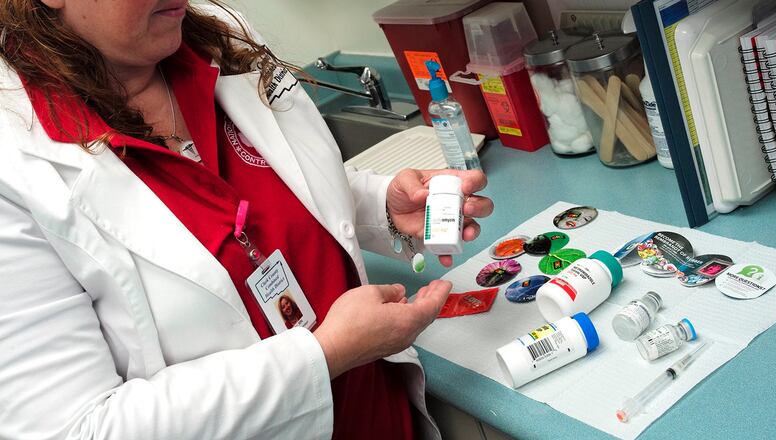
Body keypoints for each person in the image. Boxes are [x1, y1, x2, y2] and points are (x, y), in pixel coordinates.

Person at [0, 1, 494, 439]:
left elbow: (285, 185)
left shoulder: (216, 41)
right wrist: (325, 354)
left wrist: (381, 205)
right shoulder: (17, 173)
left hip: (381, 414)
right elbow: (80, 428)